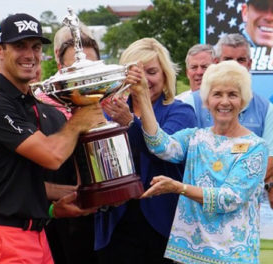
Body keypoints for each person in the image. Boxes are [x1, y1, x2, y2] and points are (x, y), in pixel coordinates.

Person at [0, 13, 105, 264]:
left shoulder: (28, 104)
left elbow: (19, 182)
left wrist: (79, 195)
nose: (30, 54)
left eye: (36, 47)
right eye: (19, 46)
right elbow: (51, 157)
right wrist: (79, 120)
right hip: (2, 238)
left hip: (35, 234)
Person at [131, 60, 268, 263]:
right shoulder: (194, 137)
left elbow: (230, 198)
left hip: (232, 257)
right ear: (206, 101)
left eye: (232, 94)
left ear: (243, 101)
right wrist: (142, 95)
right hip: (188, 255)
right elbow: (159, 145)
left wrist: (179, 188)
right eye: (217, 94)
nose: (224, 102)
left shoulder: (256, 147)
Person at [96, 38, 197, 263]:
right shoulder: (110, 113)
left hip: (163, 223)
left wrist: (131, 123)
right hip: (117, 222)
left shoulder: (181, 112)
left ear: (165, 75)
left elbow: (163, 151)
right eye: (135, 72)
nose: (143, 80)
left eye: (151, 72)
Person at [185, 33, 273, 208]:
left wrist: (236, 187)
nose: (234, 65)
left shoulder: (266, 108)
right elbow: (180, 153)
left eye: (241, 60)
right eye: (228, 59)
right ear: (216, 62)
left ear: (250, 64)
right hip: (198, 205)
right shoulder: (191, 103)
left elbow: (270, 158)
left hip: (243, 207)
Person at [42, 26, 102, 264]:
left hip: (106, 215)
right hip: (61, 213)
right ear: (58, 59)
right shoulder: (43, 102)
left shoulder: (108, 98)